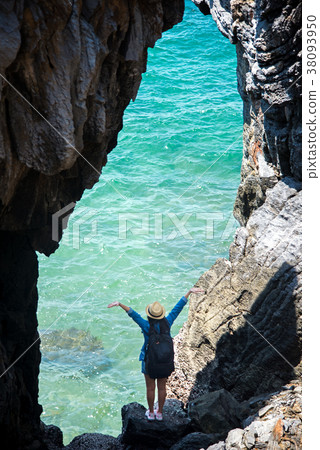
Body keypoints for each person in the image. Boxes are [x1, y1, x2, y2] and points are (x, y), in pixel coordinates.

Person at [107, 287, 204, 421]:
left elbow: (133, 314)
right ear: (161, 315)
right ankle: (160, 413)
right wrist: (188, 292)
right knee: (162, 388)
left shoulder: (146, 326)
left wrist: (119, 304)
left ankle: (151, 412)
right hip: (165, 361)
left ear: (150, 315)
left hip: (148, 360)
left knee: (150, 388)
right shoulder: (168, 322)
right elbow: (178, 308)